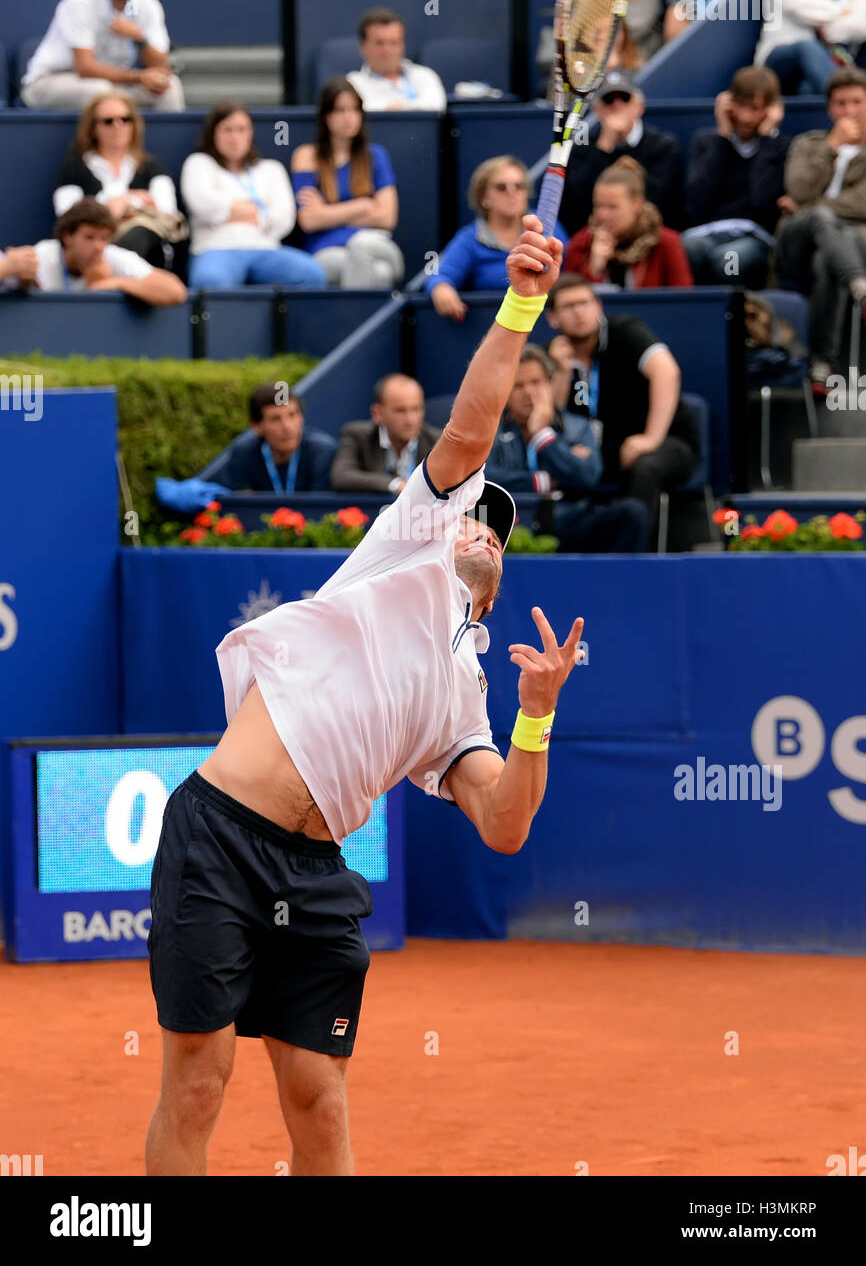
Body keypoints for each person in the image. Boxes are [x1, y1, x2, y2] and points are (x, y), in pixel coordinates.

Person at [145, 215, 584, 1178]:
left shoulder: (464, 703)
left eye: (495, 531)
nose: (477, 528)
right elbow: (472, 424)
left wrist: (537, 714)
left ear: (503, 567)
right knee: (201, 1078)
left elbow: (503, 825)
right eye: (473, 511)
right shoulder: (411, 539)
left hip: (315, 876)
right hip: (220, 833)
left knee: (319, 1098)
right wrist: (522, 301)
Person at [544, 274, 700, 521]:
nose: (579, 312)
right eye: (568, 306)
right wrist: (562, 372)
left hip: (668, 441)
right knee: (558, 468)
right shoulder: (552, 354)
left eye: (585, 303)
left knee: (645, 466)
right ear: (552, 318)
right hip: (603, 452)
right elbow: (550, 417)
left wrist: (650, 438)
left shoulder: (625, 332)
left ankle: (636, 556)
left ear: (598, 307)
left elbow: (667, 372)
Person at [485, 346, 649, 553]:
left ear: (550, 385)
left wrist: (542, 435)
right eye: (518, 386)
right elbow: (486, 479)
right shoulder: (491, 431)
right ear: (506, 393)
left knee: (633, 513)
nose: (528, 392)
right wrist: (543, 481)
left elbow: (588, 476)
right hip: (514, 523)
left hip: (567, 519)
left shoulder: (576, 426)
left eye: (536, 382)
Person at [20, 0, 184, 111]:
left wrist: (139, 38)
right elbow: (85, 68)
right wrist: (139, 77)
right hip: (48, 83)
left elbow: (161, 66)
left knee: (170, 86)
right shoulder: (80, 1)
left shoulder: (146, 2)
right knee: (101, 92)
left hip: (113, 83)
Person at [775, 67, 866, 388]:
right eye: (841, 103)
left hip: (851, 244)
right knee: (819, 221)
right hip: (796, 243)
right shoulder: (808, 145)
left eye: (857, 101)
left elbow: (861, 203)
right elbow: (797, 187)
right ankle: (860, 286)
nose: (849, 110)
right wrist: (831, 146)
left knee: (827, 257)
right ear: (830, 108)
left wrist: (807, 206)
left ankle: (822, 362)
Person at [180, 103, 326, 290]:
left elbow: (284, 218)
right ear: (213, 134)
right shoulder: (199, 163)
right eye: (227, 130)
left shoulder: (271, 169)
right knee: (210, 281)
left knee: (312, 275)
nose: (235, 138)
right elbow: (202, 206)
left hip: (265, 248)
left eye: (242, 130)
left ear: (251, 133)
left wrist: (228, 212)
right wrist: (258, 212)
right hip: (215, 248)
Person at [291, 78, 403, 289]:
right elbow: (309, 220)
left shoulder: (376, 155)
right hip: (326, 251)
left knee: (361, 245)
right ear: (326, 116)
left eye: (354, 110)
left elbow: (387, 218)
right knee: (381, 273)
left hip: (376, 244)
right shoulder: (307, 156)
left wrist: (327, 212)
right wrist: (362, 206)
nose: (348, 117)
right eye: (340, 110)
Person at [682, 66, 789, 287]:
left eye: (755, 108)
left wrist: (766, 141)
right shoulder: (708, 142)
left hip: (754, 238)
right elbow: (696, 200)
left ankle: (732, 318)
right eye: (740, 106)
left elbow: (761, 200)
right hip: (708, 232)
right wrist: (723, 138)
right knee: (686, 247)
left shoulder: (781, 148)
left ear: (771, 110)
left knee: (729, 262)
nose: (746, 117)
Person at [155, 385, 337, 515]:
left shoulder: (323, 451)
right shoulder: (243, 453)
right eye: (275, 419)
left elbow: (318, 511)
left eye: (293, 415)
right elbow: (239, 509)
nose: (287, 427)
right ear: (257, 426)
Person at [427, 155, 568, 321]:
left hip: (549, 320)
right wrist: (441, 288)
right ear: (483, 197)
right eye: (501, 187)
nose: (512, 193)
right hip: (495, 324)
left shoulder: (548, 225)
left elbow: (572, 269)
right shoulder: (469, 239)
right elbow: (439, 275)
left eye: (519, 186)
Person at [53, 92, 183, 270]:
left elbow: (165, 210)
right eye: (108, 121)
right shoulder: (75, 168)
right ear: (93, 129)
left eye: (125, 119)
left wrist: (116, 204)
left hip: (149, 252)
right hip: (94, 247)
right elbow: (67, 216)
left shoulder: (152, 166)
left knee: (141, 233)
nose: (118, 126)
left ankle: (107, 274)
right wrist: (126, 202)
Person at [557, 71, 684, 236]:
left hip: (650, 236)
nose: (617, 106)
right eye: (608, 100)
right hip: (594, 236)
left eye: (625, 98)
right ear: (597, 109)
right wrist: (603, 147)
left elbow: (655, 201)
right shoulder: (582, 148)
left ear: (639, 107)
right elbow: (577, 205)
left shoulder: (663, 146)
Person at [0, 199, 186, 305]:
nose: (98, 247)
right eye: (89, 237)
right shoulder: (43, 255)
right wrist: (9, 267)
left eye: (104, 238)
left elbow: (175, 291)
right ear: (67, 237)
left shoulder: (113, 257)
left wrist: (113, 283)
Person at [564, 158, 693, 289]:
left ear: (636, 204)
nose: (603, 215)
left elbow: (683, 302)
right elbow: (568, 299)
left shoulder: (667, 243)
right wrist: (594, 269)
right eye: (598, 205)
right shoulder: (581, 244)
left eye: (612, 207)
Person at [330, 374, 439, 494]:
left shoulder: (437, 442)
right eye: (400, 411)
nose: (410, 420)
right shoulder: (357, 436)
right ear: (377, 413)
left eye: (416, 409)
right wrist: (395, 484)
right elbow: (342, 477)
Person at [346, 8, 446, 113]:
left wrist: (394, 108)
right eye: (379, 43)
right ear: (363, 46)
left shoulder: (425, 75)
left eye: (394, 43)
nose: (387, 51)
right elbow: (358, 111)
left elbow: (436, 104)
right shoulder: (353, 83)